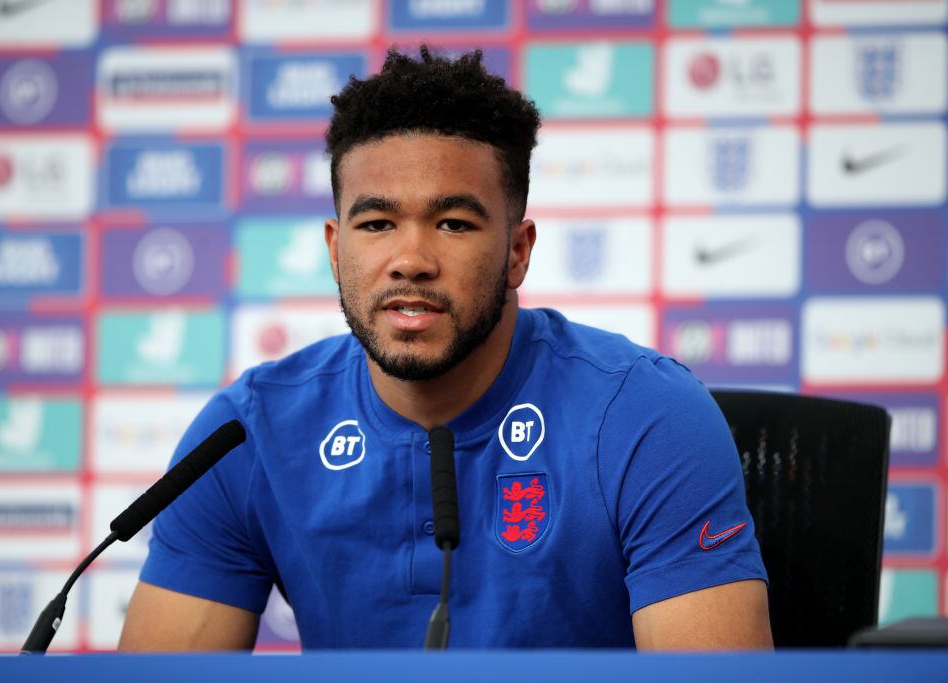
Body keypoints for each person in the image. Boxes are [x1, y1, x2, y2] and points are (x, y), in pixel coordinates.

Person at [119, 47, 772, 651]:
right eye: (376, 224)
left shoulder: (647, 416)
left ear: (518, 251)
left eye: (453, 223)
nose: (410, 260)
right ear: (334, 248)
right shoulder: (246, 435)